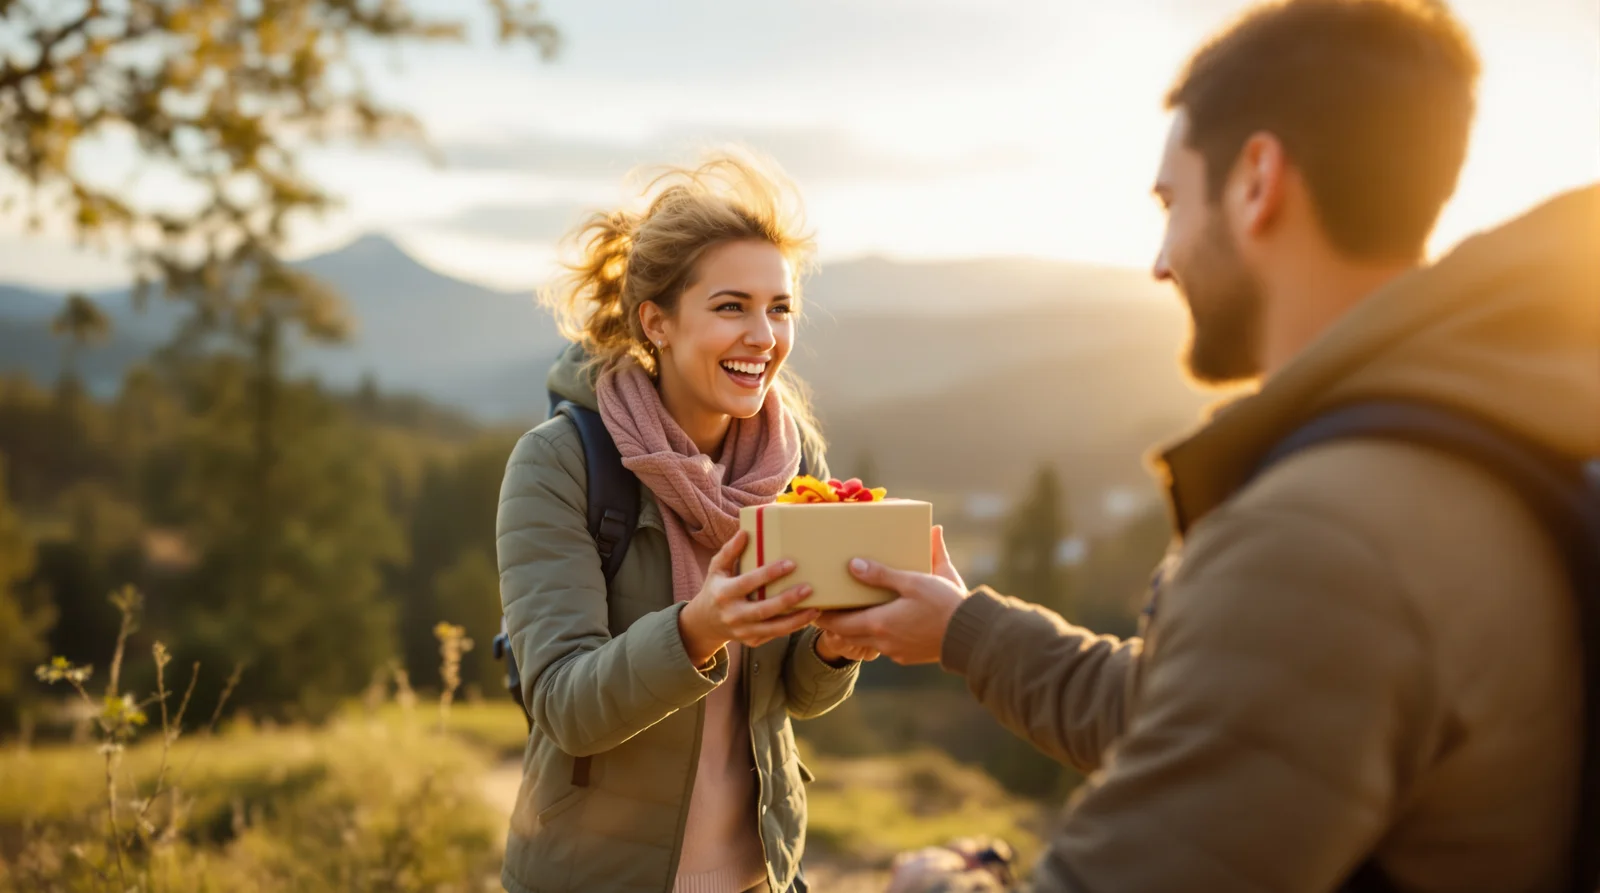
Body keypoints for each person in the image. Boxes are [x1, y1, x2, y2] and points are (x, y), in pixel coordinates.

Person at [817, 1, 1599, 890]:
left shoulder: (1323, 540)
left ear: (1258, 180)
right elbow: (1202, 711)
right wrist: (964, 629)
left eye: (1171, 202)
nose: (1160, 259)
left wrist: (934, 884)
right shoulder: (1481, 442)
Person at [496, 153, 872, 893]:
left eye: (780, 307)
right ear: (656, 321)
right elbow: (567, 707)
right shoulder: (560, 464)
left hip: (761, 873)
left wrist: (835, 647)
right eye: (732, 306)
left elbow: (790, 697)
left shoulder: (795, 460)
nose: (764, 335)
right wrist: (701, 626)